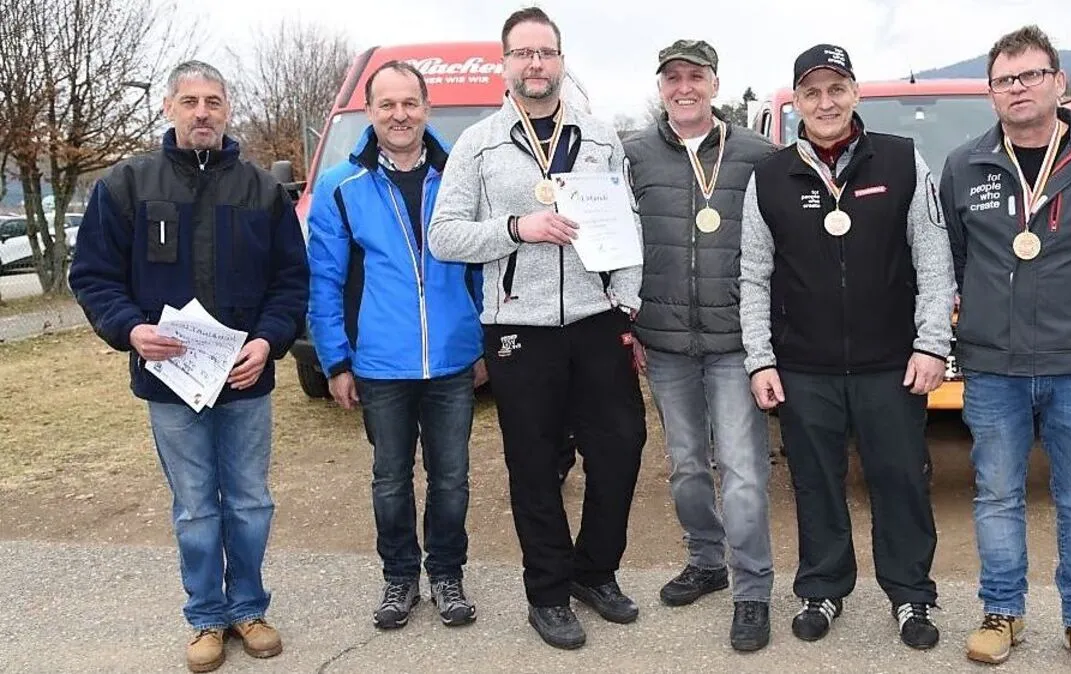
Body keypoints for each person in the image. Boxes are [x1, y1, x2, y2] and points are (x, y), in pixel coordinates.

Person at [69, 60, 308, 673]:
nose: (202, 112)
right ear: (170, 108)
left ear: (228, 109)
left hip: (244, 379)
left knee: (250, 501)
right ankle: (206, 617)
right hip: (170, 382)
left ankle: (249, 609)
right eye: (190, 101)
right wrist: (129, 328)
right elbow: (93, 275)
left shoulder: (262, 191)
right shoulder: (126, 185)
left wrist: (269, 342)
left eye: (214, 101)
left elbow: (291, 282)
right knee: (197, 507)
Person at [428, 6, 646, 651]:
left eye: (546, 53)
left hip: (596, 321)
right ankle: (547, 594)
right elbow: (444, 236)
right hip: (518, 328)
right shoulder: (480, 142)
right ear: (505, 63)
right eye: (523, 53)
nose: (535, 64)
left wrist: (626, 304)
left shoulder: (601, 136)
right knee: (534, 465)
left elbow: (627, 228)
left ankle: (594, 572)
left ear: (561, 60)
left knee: (622, 449)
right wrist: (515, 229)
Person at [939, 25, 1071, 674]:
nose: (1018, 88)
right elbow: (957, 254)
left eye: (1031, 75)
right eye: (1005, 79)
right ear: (991, 94)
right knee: (997, 496)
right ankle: (1002, 612)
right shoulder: (965, 164)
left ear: (1060, 82)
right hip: (993, 365)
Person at [740, 43, 955, 651]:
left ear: (856, 93)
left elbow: (934, 263)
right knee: (814, 482)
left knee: (901, 480)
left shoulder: (904, 160)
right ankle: (822, 588)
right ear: (797, 103)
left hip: (892, 363)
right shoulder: (769, 177)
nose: (825, 102)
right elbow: (754, 273)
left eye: (836, 88)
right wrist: (760, 357)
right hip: (803, 366)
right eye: (812, 92)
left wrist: (932, 344)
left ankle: (911, 595)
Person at [305, 61, 486, 632]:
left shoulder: (461, 174)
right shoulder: (340, 186)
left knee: (451, 478)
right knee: (390, 479)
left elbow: (482, 267)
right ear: (370, 111)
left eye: (409, 103)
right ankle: (400, 577)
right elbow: (325, 281)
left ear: (426, 108)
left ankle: (448, 576)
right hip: (379, 364)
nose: (399, 115)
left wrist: (483, 341)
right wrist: (335, 359)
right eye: (387, 105)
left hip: (454, 360)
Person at [623, 39, 776, 652]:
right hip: (664, 342)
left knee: (741, 472)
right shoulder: (632, 155)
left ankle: (753, 590)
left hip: (737, 342)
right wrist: (626, 319)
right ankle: (706, 559)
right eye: (672, 78)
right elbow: (616, 241)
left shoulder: (758, 154)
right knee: (687, 465)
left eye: (696, 76)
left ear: (715, 83)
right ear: (660, 86)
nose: (683, 87)